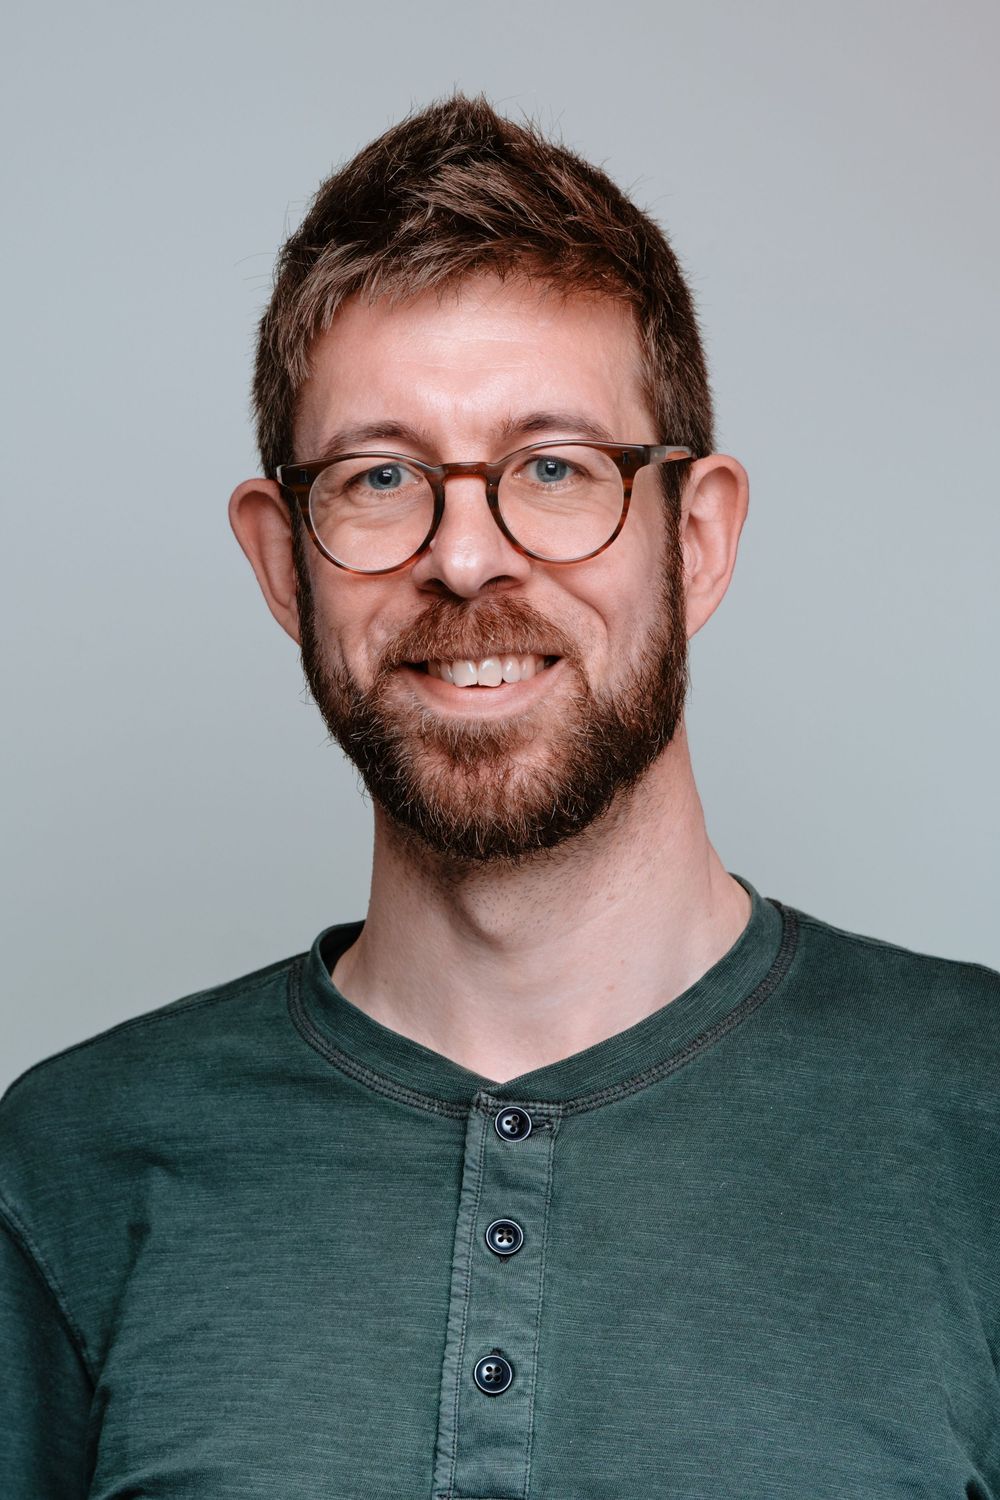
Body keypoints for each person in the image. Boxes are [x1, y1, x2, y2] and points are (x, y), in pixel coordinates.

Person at [2, 94, 997, 1500]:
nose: (467, 559)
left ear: (695, 540)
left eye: (553, 467)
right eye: (381, 476)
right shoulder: (67, 1169)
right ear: (283, 563)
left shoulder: (977, 1122)